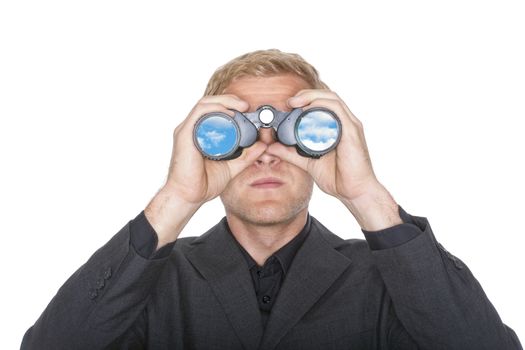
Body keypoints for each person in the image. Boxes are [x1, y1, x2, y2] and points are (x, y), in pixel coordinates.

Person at [21, 49, 522, 350]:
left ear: (325, 142)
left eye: (293, 129)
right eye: (236, 133)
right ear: (204, 142)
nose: (264, 153)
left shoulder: (386, 278)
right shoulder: (153, 279)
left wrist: (366, 194)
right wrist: (175, 197)